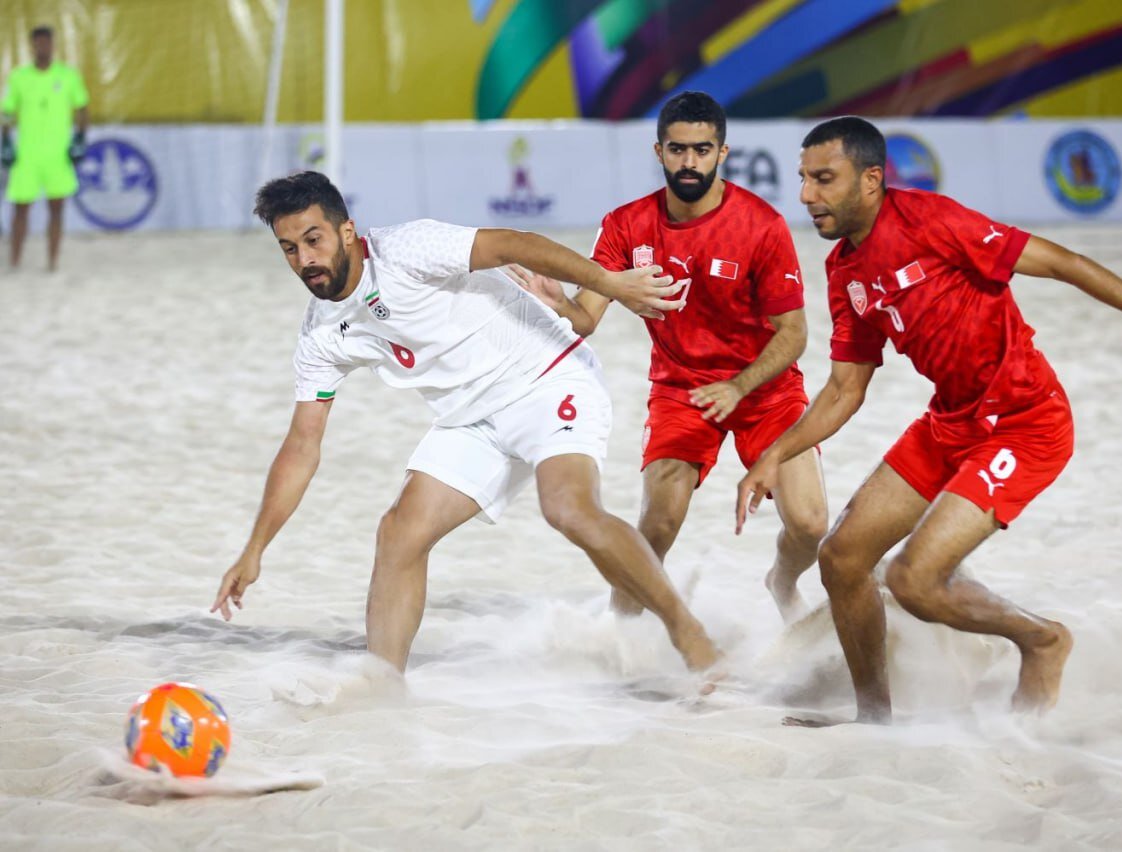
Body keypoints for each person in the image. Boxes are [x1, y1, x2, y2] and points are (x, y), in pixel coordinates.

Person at [736, 117, 1122, 724]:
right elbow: (846, 389)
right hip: (949, 422)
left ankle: (1042, 641)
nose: (806, 196)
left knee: (915, 583)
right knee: (842, 558)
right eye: (802, 180)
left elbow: (1064, 263)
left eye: (823, 180)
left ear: (871, 180)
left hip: (1026, 423)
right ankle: (875, 720)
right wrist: (775, 455)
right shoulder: (845, 269)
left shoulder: (932, 221)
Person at [209, 170, 721, 676]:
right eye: (289, 248)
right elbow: (302, 445)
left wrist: (607, 282)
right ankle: (381, 685)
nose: (305, 260)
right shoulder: (322, 333)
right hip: (470, 420)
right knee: (399, 533)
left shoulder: (407, 249)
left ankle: (687, 633)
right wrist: (254, 549)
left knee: (569, 510)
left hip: (546, 378)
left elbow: (512, 243)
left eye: (313, 240)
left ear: (347, 231)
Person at [518, 91, 828, 624]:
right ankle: (620, 631)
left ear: (722, 153)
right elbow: (588, 319)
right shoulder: (625, 225)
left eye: (702, 150)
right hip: (681, 391)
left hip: (766, 390)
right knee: (659, 522)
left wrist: (738, 386)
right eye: (678, 150)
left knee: (811, 524)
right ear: (658, 151)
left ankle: (781, 580)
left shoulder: (762, 226)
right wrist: (559, 303)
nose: (690, 162)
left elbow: (794, 334)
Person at [1, 25, 89, 271]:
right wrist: (5, 140)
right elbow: (7, 111)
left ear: (53, 44)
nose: (43, 47)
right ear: (32, 46)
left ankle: (52, 262)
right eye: (38, 43)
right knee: (20, 210)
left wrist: (80, 139)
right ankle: (14, 263)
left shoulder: (68, 75)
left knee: (57, 210)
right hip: (27, 155)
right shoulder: (19, 77)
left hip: (58, 155)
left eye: (47, 42)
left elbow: (82, 108)